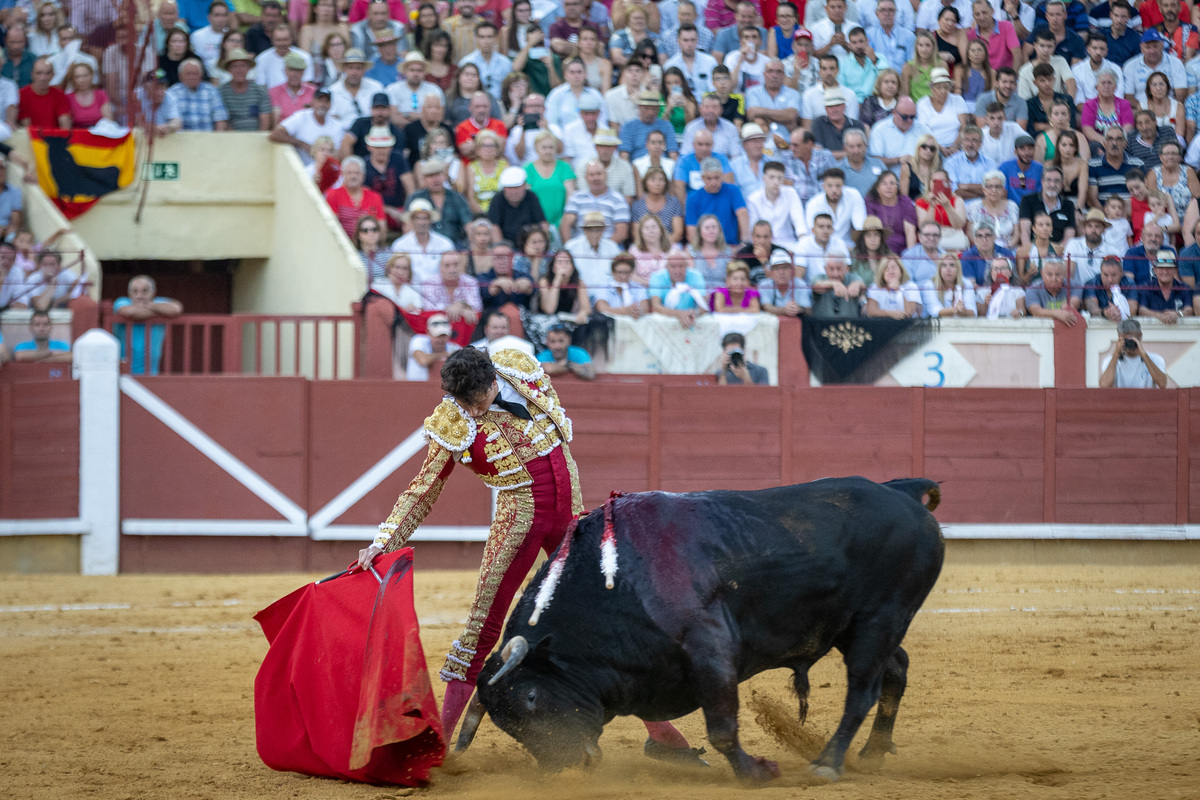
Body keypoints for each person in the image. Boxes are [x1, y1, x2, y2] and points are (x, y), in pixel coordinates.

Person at [112, 275, 184, 376]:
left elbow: (176, 309)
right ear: (129, 293)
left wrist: (147, 305)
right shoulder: (122, 301)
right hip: (122, 374)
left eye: (145, 291)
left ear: (153, 292)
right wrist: (159, 311)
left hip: (151, 373)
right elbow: (130, 313)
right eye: (135, 291)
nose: (139, 296)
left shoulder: (156, 302)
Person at [1099, 318, 1168, 387]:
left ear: (1140, 336)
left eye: (1131, 339)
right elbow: (1104, 385)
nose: (1129, 343)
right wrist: (1116, 354)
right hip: (1120, 397)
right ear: (1119, 338)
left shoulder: (1156, 359)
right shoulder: (1110, 361)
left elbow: (1162, 384)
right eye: (1125, 339)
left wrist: (1144, 355)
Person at [649, 248, 709, 326]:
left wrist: (693, 313)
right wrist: (679, 314)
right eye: (673, 267)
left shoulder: (696, 275)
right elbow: (655, 307)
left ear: (687, 266)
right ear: (666, 267)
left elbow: (703, 306)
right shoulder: (656, 277)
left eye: (681, 266)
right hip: (665, 320)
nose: (677, 271)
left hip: (691, 317)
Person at [217, 48, 272, 130]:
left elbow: (265, 120)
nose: (239, 70)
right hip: (230, 138)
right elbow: (222, 121)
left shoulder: (260, 91)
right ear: (229, 69)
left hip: (256, 137)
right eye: (235, 66)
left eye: (243, 66)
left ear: (248, 68)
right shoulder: (221, 92)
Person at [1088, 126, 1142, 207]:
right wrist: (1106, 217)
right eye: (1110, 139)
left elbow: (1141, 194)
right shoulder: (1093, 165)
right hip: (1103, 213)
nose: (1114, 143)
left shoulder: (1137, 164)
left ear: (1125, 143)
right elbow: (1092, 198)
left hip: (1131, 212)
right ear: (1104, 142)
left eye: (1119, 139)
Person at [1138, 250, 1193, 323]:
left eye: (1169, 268)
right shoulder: (1146, 288)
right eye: (1161, 268)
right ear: (1155, 270)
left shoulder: (1184, 288)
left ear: (1175, 270)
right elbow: (1142, 310)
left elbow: (1189, 310)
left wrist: (1177, 314)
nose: (1165, 272)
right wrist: (1159, 316)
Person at [405, 312, 461, 380]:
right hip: (416, 387)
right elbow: (422, 360)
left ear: (449, 335)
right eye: (437, 336)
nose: (440, 340)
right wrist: (444, 354)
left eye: (443, 336)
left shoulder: (454, 348)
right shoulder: (418, 340)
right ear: (428, 333)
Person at [1025, 258, 1082, 324]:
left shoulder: (1075, 286)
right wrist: (1057, 313)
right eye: (1049, 275)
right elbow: (1035, 311)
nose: (1054, 279)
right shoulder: (1033, 288)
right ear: (1042, 274)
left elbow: (1072, 306)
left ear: (1064, 274)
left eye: (1058, 275)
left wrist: (1065, 309)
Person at [18, 57, 70, 127]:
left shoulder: (59, 95)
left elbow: (65, 123)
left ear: (53, 75)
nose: (43, 78)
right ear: (32, 74)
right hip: (32, 137)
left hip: (54, 136)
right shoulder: (22, 95)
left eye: (48, 73)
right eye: (39, 73)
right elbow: (26, 126)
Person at [1084, 254, 1138, 321]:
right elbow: (1091, 308)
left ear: (1121, 273)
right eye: (1105, 275)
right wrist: (1105, 313)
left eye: (1114, 275)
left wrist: (1116, 313)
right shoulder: (1092, 284)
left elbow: (1132, 310)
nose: (1110, 280)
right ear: (1101, 273)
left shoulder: (1129, 283)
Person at [594, 252, 651, 317]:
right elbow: (602, 309)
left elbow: (645, 309)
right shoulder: (604, 287)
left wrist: (638, 311)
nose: (623, 276)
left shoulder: (639, 288)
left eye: (627, 273)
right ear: (613, 272)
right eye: (620, 272)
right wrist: (625, 311)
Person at [758, 250, 812, 316]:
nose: (781, 272)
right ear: (771, 272)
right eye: (776, 268)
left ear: (792, 270)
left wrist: (799, 309)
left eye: (785, 268)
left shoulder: (801, 284)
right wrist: (784, 310)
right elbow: (766, 307)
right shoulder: (764, 285)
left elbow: (808, 310)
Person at [902, 30, 940, 103]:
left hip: (936, 107)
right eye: (921, 45)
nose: (924, 49)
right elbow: (905, 95)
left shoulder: (941, 65)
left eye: (928, 45)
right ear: (916, 47)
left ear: (933, 46)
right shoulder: (908, 67)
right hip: (916, 108)